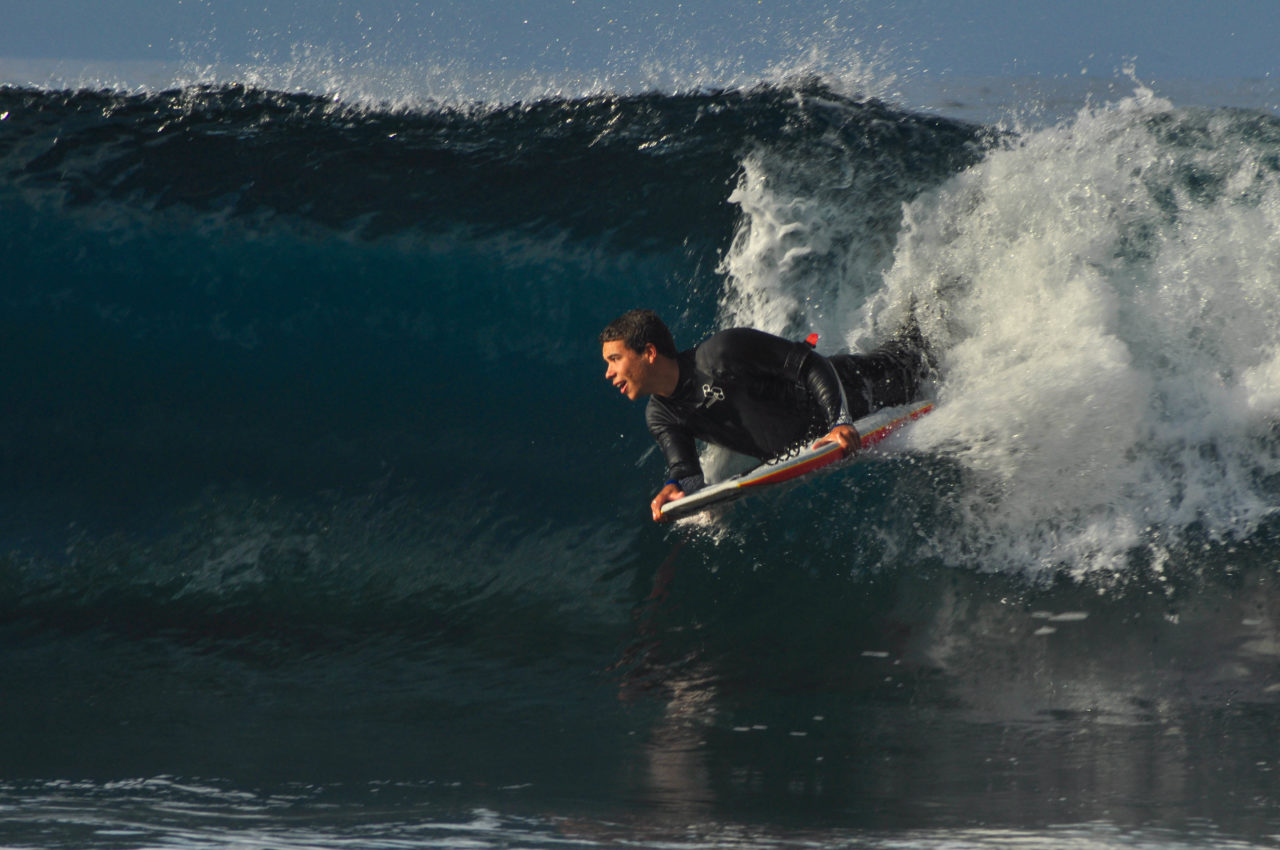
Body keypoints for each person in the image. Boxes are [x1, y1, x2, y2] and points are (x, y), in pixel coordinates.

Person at [600, 308, 932, 521]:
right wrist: (676, 487)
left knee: (924, 353)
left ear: (649, 353)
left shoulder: (721, 353)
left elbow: (810, 365)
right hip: (825, 430)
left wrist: (840, 422)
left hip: (865, 385)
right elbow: (687, 472)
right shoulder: (660, 415)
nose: (608, 373)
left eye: (615, 360)